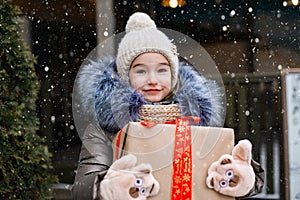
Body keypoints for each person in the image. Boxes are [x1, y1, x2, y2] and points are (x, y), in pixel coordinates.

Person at [71, 12, 264, 199]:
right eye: (140, 71)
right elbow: (82, 189)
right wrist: (107, 188)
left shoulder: (197, 120)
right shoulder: (103, 130)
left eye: (162, 70)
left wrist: (243, 178)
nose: (153, 80)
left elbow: (244, 175)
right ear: (125, 76)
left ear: (172, 76)